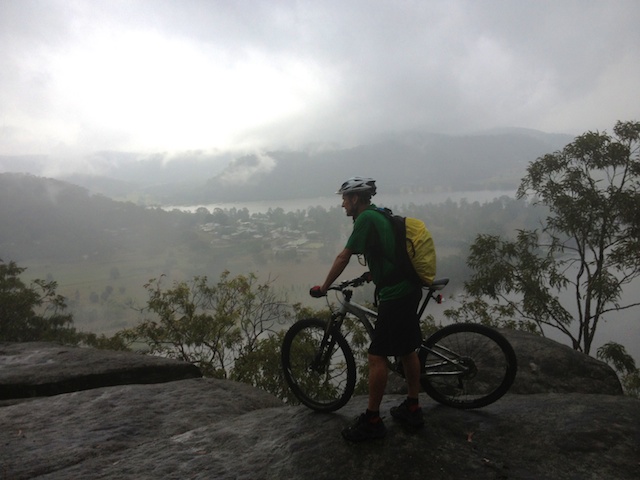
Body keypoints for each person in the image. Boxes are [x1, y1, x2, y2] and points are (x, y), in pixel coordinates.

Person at [310, 176, 425, 442]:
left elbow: (344, 256)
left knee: (376, 356)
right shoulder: (379, 214)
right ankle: (413, 407)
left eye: (344, 199)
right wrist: (373, 274)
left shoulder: (365, 218)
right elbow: (388, 250)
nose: (342, 204)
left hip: (396, 294)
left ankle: (373, 421)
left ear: (355, 198)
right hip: (407, 287)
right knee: (407, 350)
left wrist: (324, 287)